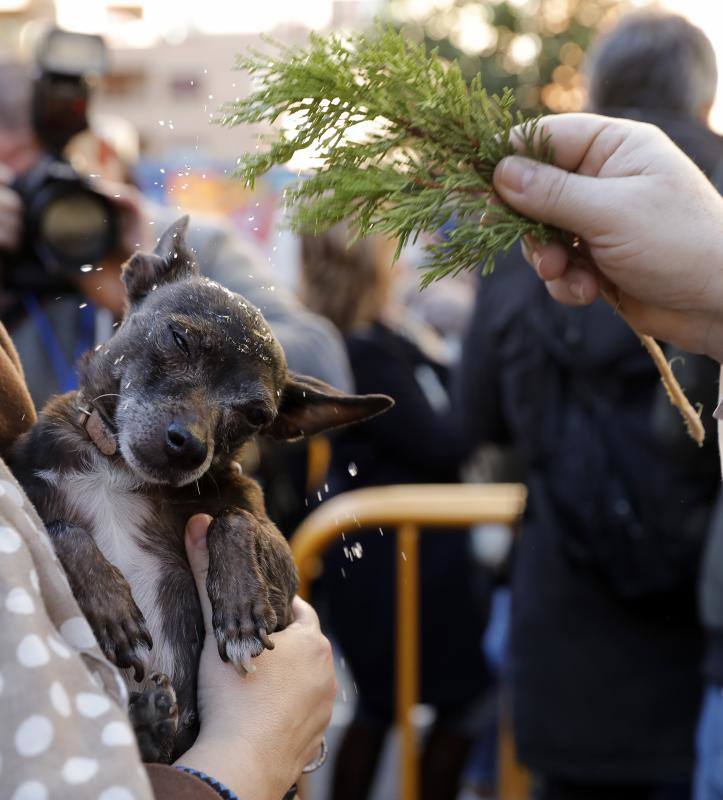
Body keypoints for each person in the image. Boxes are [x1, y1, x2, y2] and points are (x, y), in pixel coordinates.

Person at [457, 13, 723, 799]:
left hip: (569, 625)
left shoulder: (536, 220)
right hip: (699, 634)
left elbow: (478, 412)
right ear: (704, 97)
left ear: (597, 94)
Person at [0, 318, 336, 800]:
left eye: (251, 413)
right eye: (179, 342)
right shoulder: (40, 450)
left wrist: (236, 536)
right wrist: (252, 749)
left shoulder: (222, 495)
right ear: (138, 291)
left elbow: (283, 605)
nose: (192, 428)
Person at [0, 59, 352, 409]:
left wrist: (158, 299)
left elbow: (323, 363)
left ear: (99, 154)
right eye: (11, 188)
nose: (35, 203)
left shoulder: (188, 243)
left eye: (51, 176)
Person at [299, 226, 492, 800]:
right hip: (396, 561)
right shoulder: (363, 348)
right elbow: (442, 439)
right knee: (414, 702)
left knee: (410, 703)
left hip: (406, 556)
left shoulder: (378, 337)